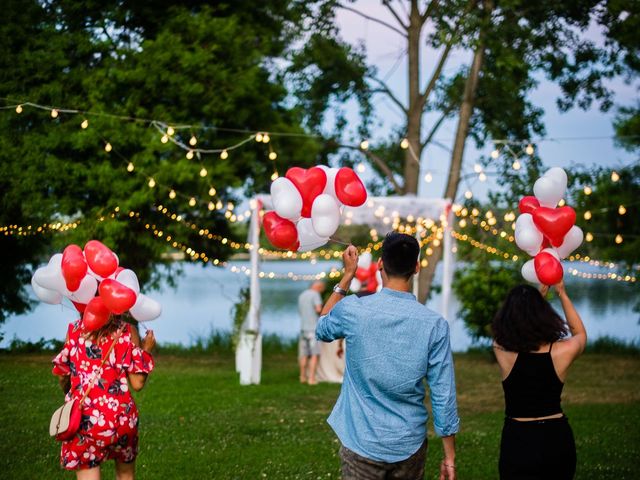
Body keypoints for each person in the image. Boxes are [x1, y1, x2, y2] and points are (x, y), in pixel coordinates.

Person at [316, 233, 459, 480]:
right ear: (416, 267)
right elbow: (443, 392)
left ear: (380, 264)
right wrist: (449, 456)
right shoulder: (435, 324)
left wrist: (347, 276)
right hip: (409, 443)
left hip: (361, 440)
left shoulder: (354, 309)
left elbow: (322, 328)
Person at [492, 281, 587, 479]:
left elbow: (510, 329)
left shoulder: (502, 349)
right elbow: (579, 334)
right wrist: (562, 293)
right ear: (543, 314)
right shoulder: (562, 351)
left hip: (518, 440)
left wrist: (536, 297)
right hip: (556, 438)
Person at [52, 315, 156, 479]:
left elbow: (63, 376)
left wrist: (72, 394)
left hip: (84, 421)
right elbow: (137, 383)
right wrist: (147, 349)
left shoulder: (74, 329)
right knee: (125, 475)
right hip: (121, 420)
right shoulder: (128, 331)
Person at [298, 280, 325, 385]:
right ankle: (312, 378)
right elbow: (319, 309)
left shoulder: (302, 295)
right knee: (314, 354)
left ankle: (302, 376)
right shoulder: (315, 294)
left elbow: (300, 311)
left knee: (303, 354)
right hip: (313, 329)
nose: (322, 290)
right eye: (321, 288)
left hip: (303, 328)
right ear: (318, 287)